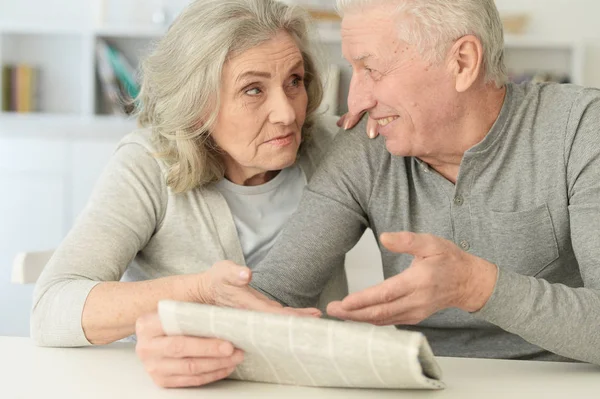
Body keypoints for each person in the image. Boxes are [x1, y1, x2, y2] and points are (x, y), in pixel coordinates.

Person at [136, 0, 600, 388]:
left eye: (371, 68)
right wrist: (187, 332)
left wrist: (477, 285)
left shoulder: (581, 131)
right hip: (424, 383)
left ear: (462, 62)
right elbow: (275, 293)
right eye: (351, 69)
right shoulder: (368, 146)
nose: (355, 100)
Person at [31, 0, 349, 387]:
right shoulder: (149, 164)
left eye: (294, 81)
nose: (286, 113)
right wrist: (198, 291)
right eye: (253, 89)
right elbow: (51, 308)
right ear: (197, 104)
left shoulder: (331, 150)